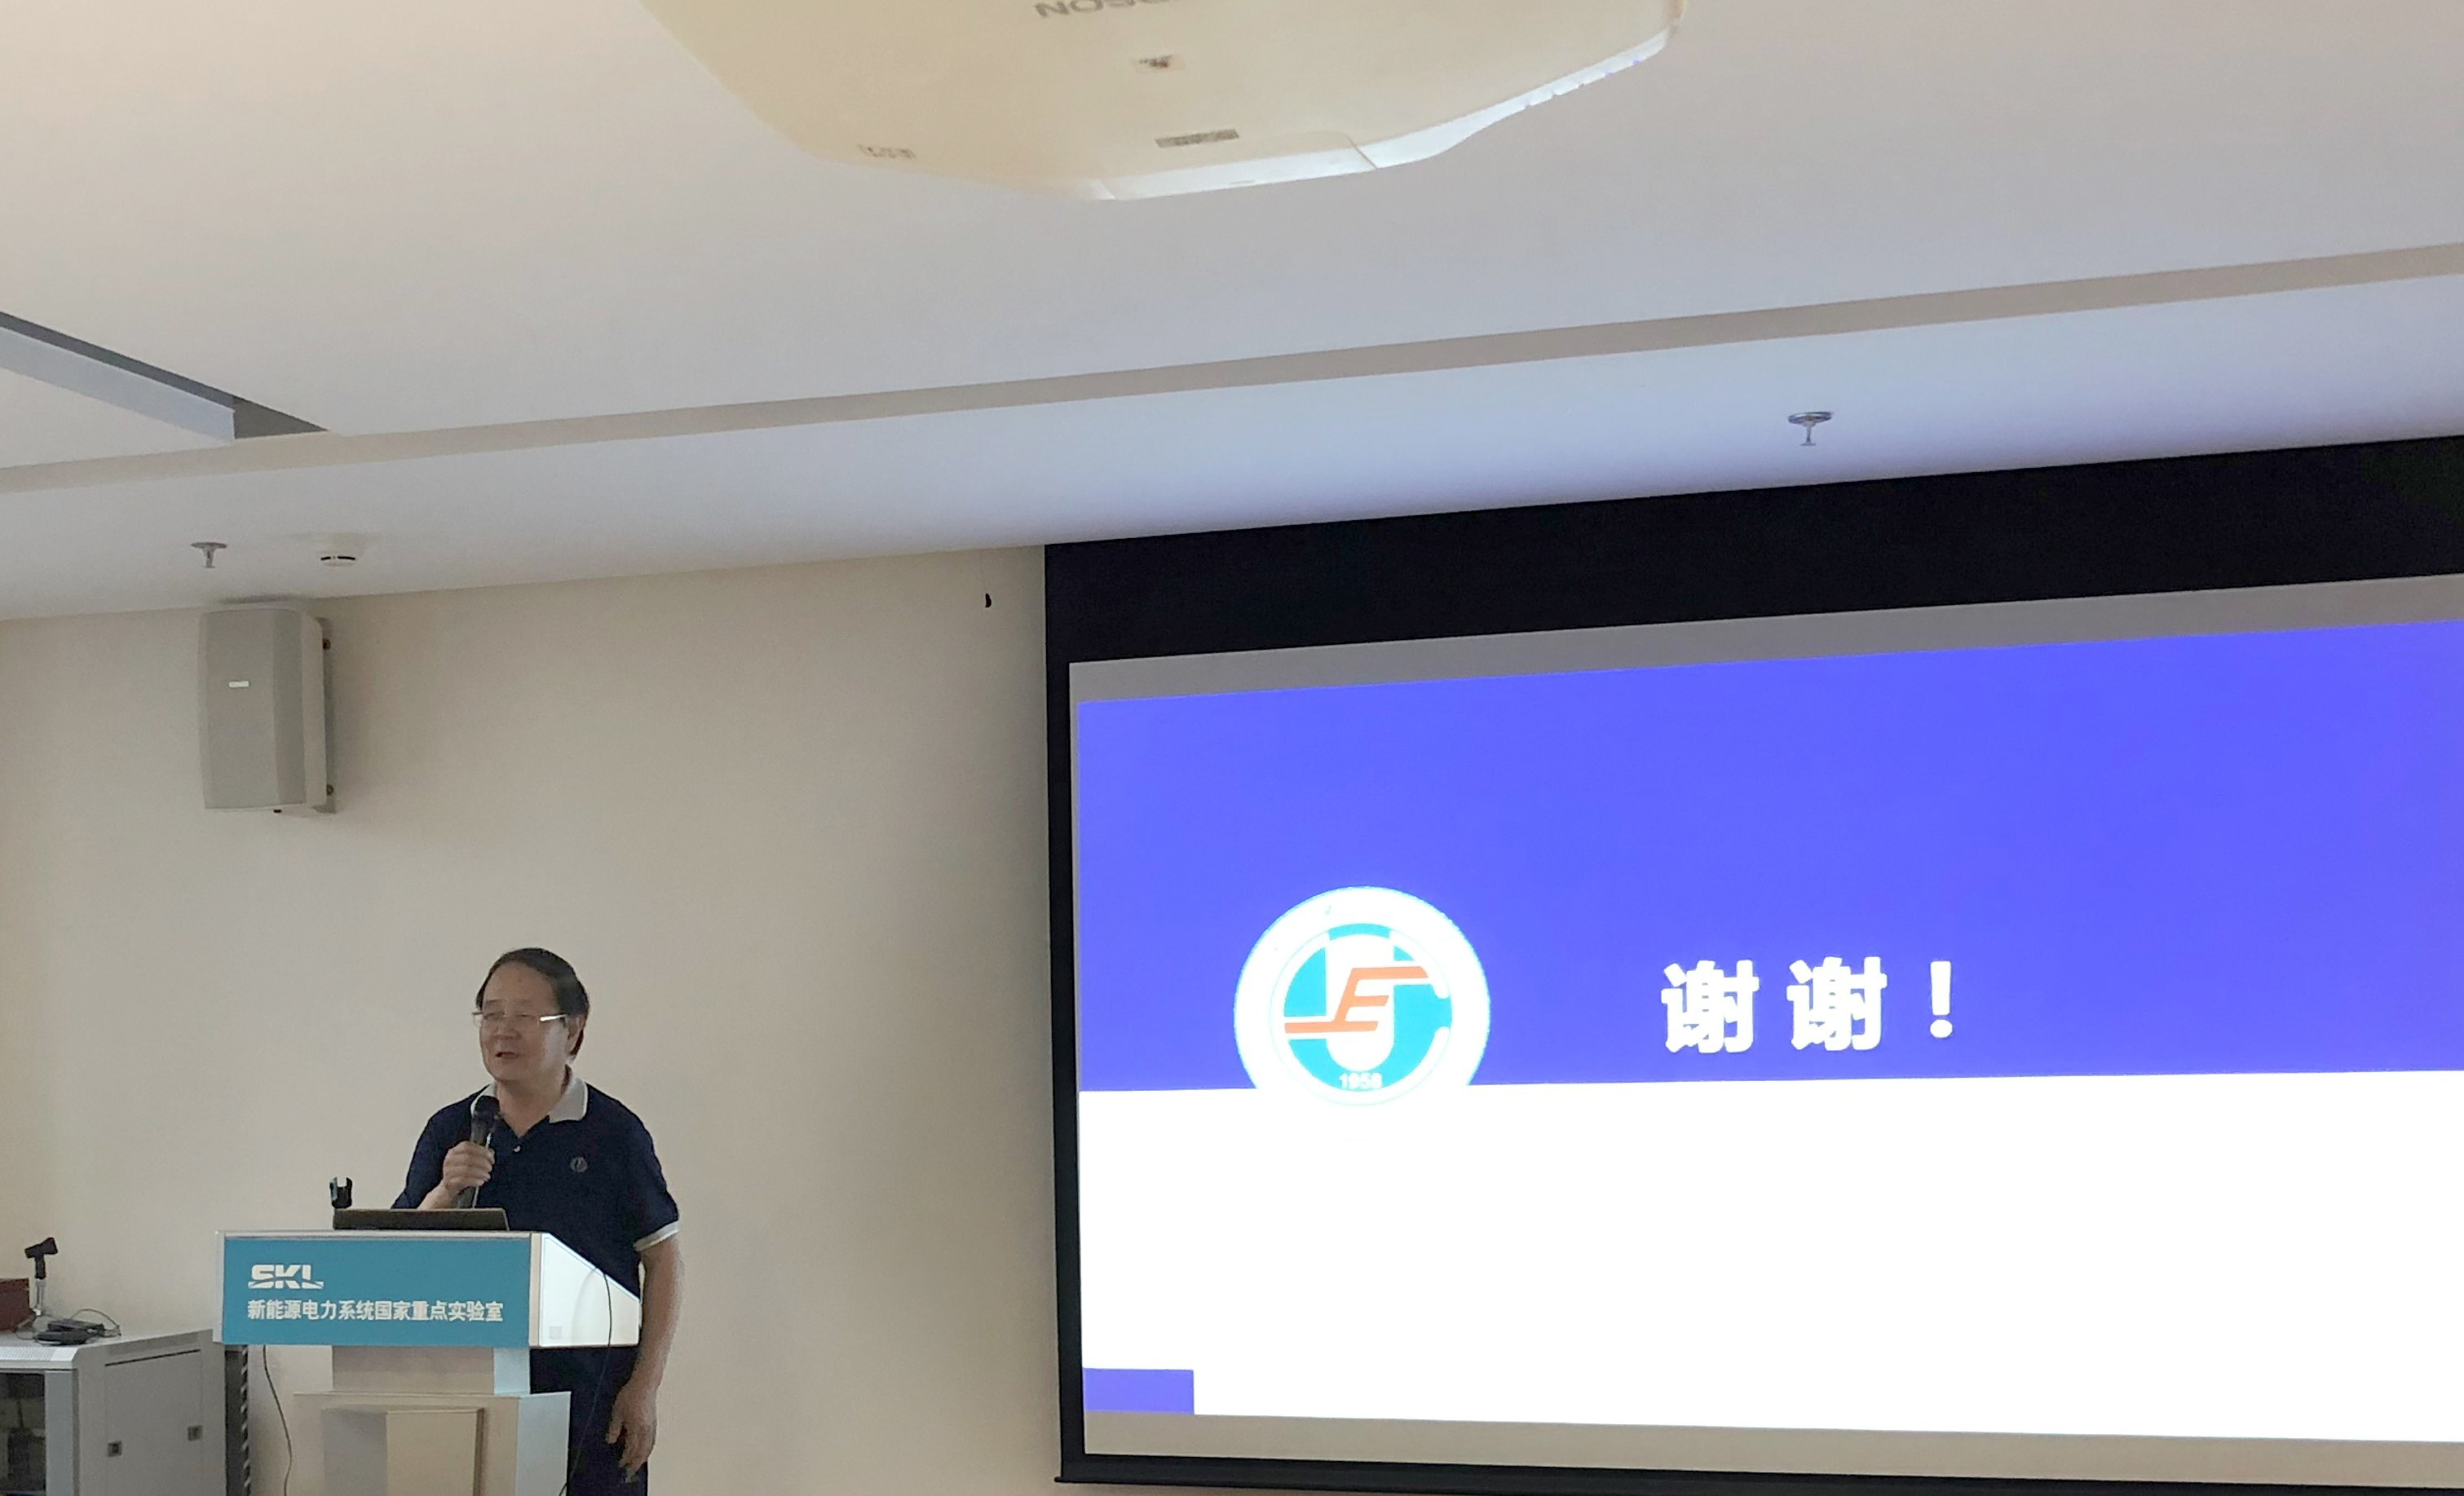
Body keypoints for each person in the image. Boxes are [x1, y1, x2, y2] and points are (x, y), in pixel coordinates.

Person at [395, 949, 683, 1492]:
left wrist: (644, 1386)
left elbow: (664, 1259)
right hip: (470, 1393)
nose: (503, 1030)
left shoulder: (614, 1132)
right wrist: (444, 1191)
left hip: (592, 1396)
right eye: (491, 1014)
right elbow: (395, 1255)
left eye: (524, 1015)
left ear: (573, 1031)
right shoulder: (453, 1127)